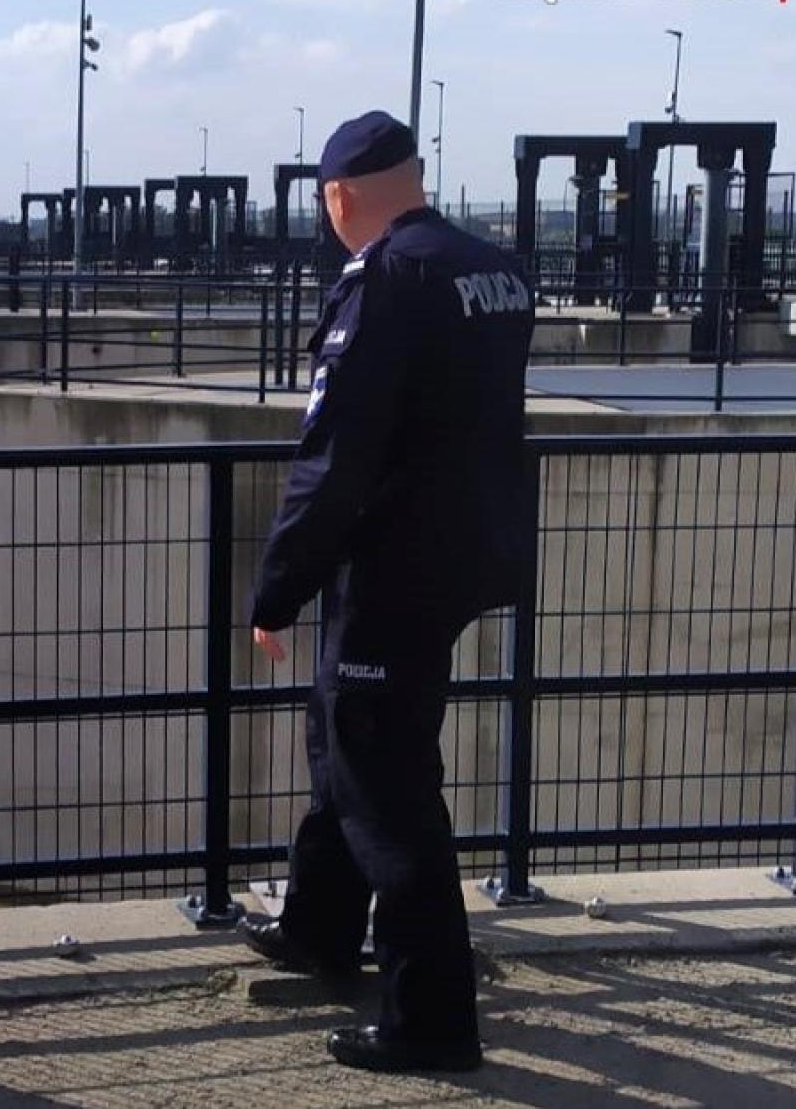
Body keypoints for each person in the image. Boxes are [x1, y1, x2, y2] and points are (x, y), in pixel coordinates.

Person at [243, 110, 534, 1074]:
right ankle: (319, 930)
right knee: (347, 736)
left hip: (395, 567)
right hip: (462, 555)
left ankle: (431, 1019)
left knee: (386, 787)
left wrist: (277, 589)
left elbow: (336, 459)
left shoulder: (387, 282)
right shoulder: (492, 268)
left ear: (340, 196)